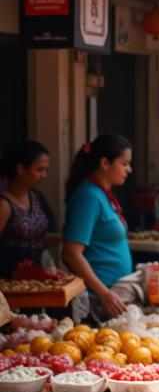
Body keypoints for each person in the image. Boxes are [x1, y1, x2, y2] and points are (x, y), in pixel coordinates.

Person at [62, 134, 135, 319]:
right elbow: (71, 253)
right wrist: (104, 293)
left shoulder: (103, 194)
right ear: (105, 163)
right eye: (124, 163)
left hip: (113, 293)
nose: (129, 169)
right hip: (100, 298)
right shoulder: (89, 196)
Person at [0, 141, 57, 278]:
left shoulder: (36, 197)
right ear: (20, 169)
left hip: (38, 271)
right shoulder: (4, 204)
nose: (44, 175)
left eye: (45, 170)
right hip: (12, 277)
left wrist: (66, 238)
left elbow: (38, 239)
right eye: (39, 170)